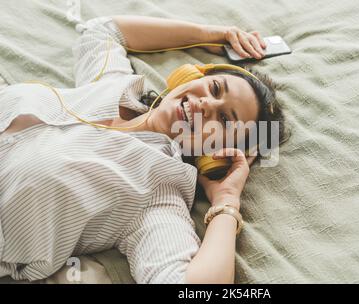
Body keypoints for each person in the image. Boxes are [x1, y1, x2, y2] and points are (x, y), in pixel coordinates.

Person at [0, 15, 284, 283]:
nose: (206, 104)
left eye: (224, 119)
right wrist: (212, 34)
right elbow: (104, 29)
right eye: (214, 87)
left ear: (219, 151)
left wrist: (227, 201)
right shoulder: (115, 86)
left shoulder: (156, 198)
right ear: (190, 77)